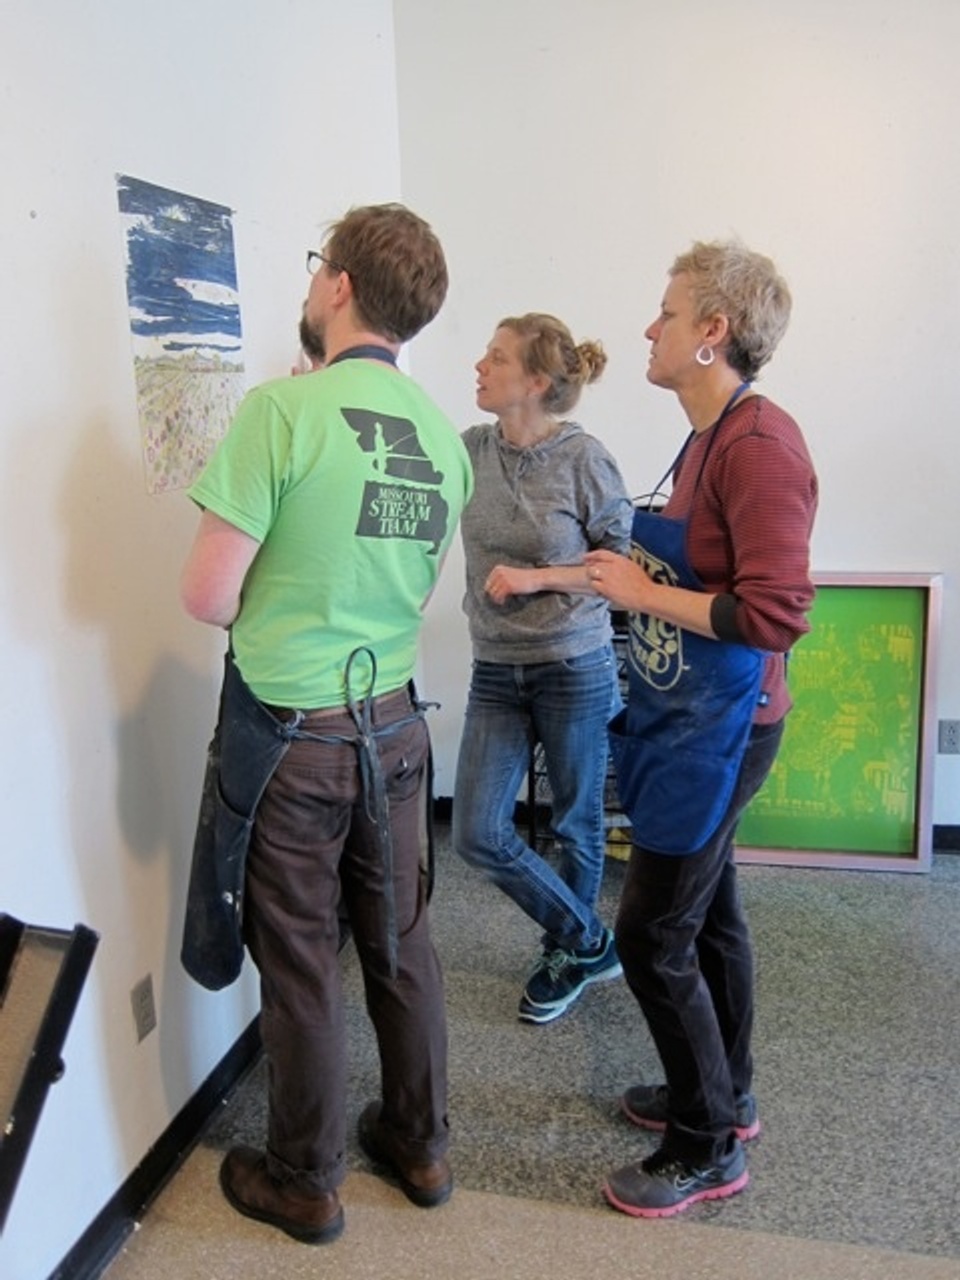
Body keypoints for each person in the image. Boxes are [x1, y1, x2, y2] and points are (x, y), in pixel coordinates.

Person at [180, 203, 473, 1245]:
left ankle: (306, 1178)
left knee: (301, 957)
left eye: (316, 269)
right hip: (394, 724)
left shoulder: (282, 414)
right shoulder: (445, 437)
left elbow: (208, 597)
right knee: (401, 942)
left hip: (294, 737)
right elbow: (404, 586)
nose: (310, 285)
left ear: (341, 285)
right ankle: (422, 1141)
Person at [584, 240, 818, 1217]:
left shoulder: (760, 449)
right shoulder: (702, 437)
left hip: (727, 726)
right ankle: (724, 1089)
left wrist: (641, 590)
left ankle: (705, 1143)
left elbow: (774, 611)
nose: (650, 327)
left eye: (668, 312)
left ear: (713, 332)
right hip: (688, 716)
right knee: (708, 908)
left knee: (650, 930)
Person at [452, 313, 633, 1024]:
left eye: (494, 358)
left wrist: (533, 579)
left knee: (577, 826)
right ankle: (589, 938)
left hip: (573, 665)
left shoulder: (585, 459)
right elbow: (393, 453)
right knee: (476, 832)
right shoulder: (467, 449)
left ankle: (562, 952)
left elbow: (618, 571)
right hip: (495, 667)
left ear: (533, 382)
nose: (478, 366)